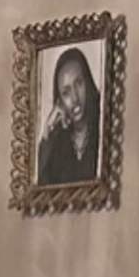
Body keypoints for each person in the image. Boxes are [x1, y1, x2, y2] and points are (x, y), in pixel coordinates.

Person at [35, 43, 103, 189]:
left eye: (78, 83)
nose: (74, 98)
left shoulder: (103, 123)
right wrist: (47, 134)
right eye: (66, 92)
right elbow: (42, 192)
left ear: (88, 82)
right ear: (59, 101)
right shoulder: (58, 142)